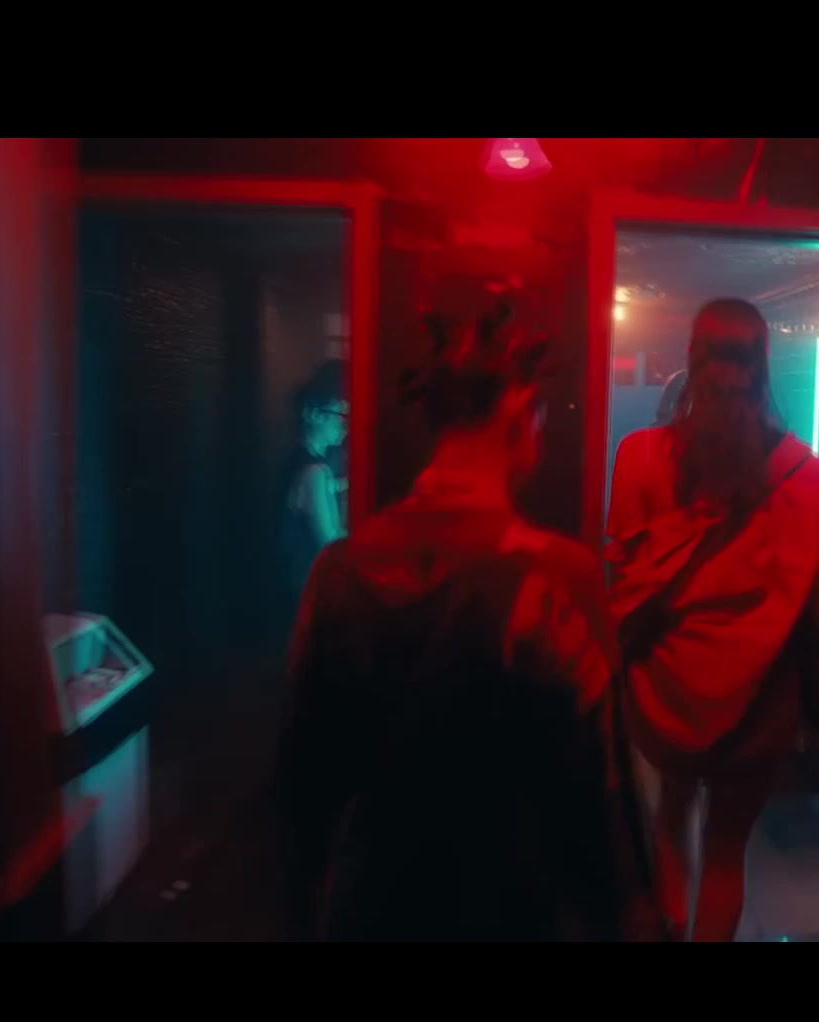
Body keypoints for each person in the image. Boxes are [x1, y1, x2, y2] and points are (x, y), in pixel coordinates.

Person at [277, 299, 661, 942]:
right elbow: (603, 789)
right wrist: (630, 913)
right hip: (508, 904)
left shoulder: (338, 571)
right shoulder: (553, 578)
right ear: (519, 412)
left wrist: (303, 909)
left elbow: (301, 781)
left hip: (370, 905)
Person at [606, 298, 819, 942]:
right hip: (761, 708)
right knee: (724, 855)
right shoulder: (811, 480)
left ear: (692, 359)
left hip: (664, 697)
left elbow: (622, 581)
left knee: (670, 825)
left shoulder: (638, 457)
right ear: (766, 365)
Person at [281, 361, 348, 606]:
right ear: (314, 414)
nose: (345, 425)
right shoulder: (315, 472)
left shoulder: (296, 462)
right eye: (340, 415)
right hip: (308, 593)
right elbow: (332, 546)